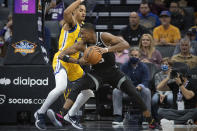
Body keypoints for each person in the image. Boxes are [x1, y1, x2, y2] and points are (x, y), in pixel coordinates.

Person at [57, 23, 151, 129]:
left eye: (83, 34)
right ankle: (62, 114)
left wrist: (106, 49)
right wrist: (64, 55)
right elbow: (68, 51)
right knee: (77, 86)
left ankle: (149, 119)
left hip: (113, 72)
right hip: (97, 74)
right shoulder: (82, 44)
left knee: (134, 93)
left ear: (91, 32)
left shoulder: (103, 37)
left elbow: (125, 44)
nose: (81, 36)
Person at [34, 1, 94, 130]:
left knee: (88, 92)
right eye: (80, 10)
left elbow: (82, 48)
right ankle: (40, 113)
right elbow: (66, 12)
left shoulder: (83, 28)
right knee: (61, 87)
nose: (83, 13)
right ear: (74, 12)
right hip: (62, 59)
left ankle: (70, 115)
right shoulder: (70, 23)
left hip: (74, 64)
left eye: (84, 11)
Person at [112, 47, 151, 125]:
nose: (134, 57)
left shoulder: (144, 67)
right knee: (116, 91)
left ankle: (145, 117)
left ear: (139, 57)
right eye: (132, 55)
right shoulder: (124, 66)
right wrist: (127, 87)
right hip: (127, 90)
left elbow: (146, 80)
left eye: (136, 55)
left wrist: (140, 86)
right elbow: (120, 80)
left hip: (139, 91)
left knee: (147, 91)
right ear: (129, 56)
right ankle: (118, 116)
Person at [151, 58, 173, 127]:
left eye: (166, 64)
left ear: (170, 66)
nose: (164, 65)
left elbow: (171, 88)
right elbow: (157, 87)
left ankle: (169, 118)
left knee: (170, 99)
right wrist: (161, 94)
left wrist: (164, 95)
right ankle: (157, 119)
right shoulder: (157, 75)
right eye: (163, 64)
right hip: (159, 92)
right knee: (154, 100)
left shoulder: (172, 75)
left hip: (169, 92)